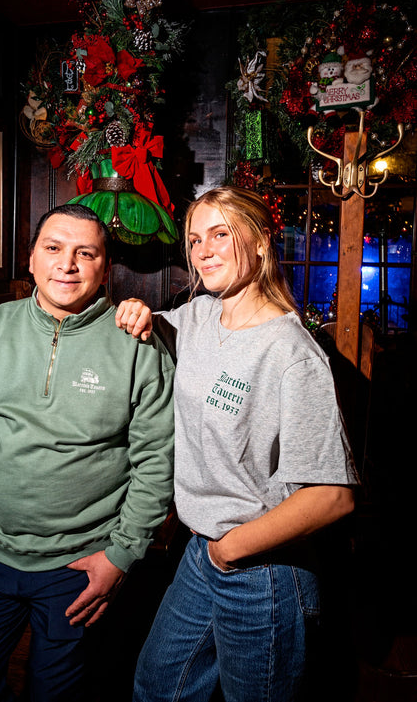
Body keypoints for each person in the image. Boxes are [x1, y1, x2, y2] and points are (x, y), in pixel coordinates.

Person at [115, 186, 359, 702]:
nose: (203, 251)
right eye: (195, 239)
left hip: (261, 569)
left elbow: (332, 496)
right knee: (156, 688)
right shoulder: (199, 315)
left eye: (220, 234)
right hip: (200, 552)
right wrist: (135, 310)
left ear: (262, 241)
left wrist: (230, 550)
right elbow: (148, 329)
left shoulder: (292, 353)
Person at [0, 204, 175, 702]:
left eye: (86, 253)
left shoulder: (138, 345)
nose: (67, 264)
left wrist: (121, 555)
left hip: (83, 563)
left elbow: (157, 459)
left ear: (106, 267)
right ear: (31, 259)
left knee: (57, 694)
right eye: (54, 248)